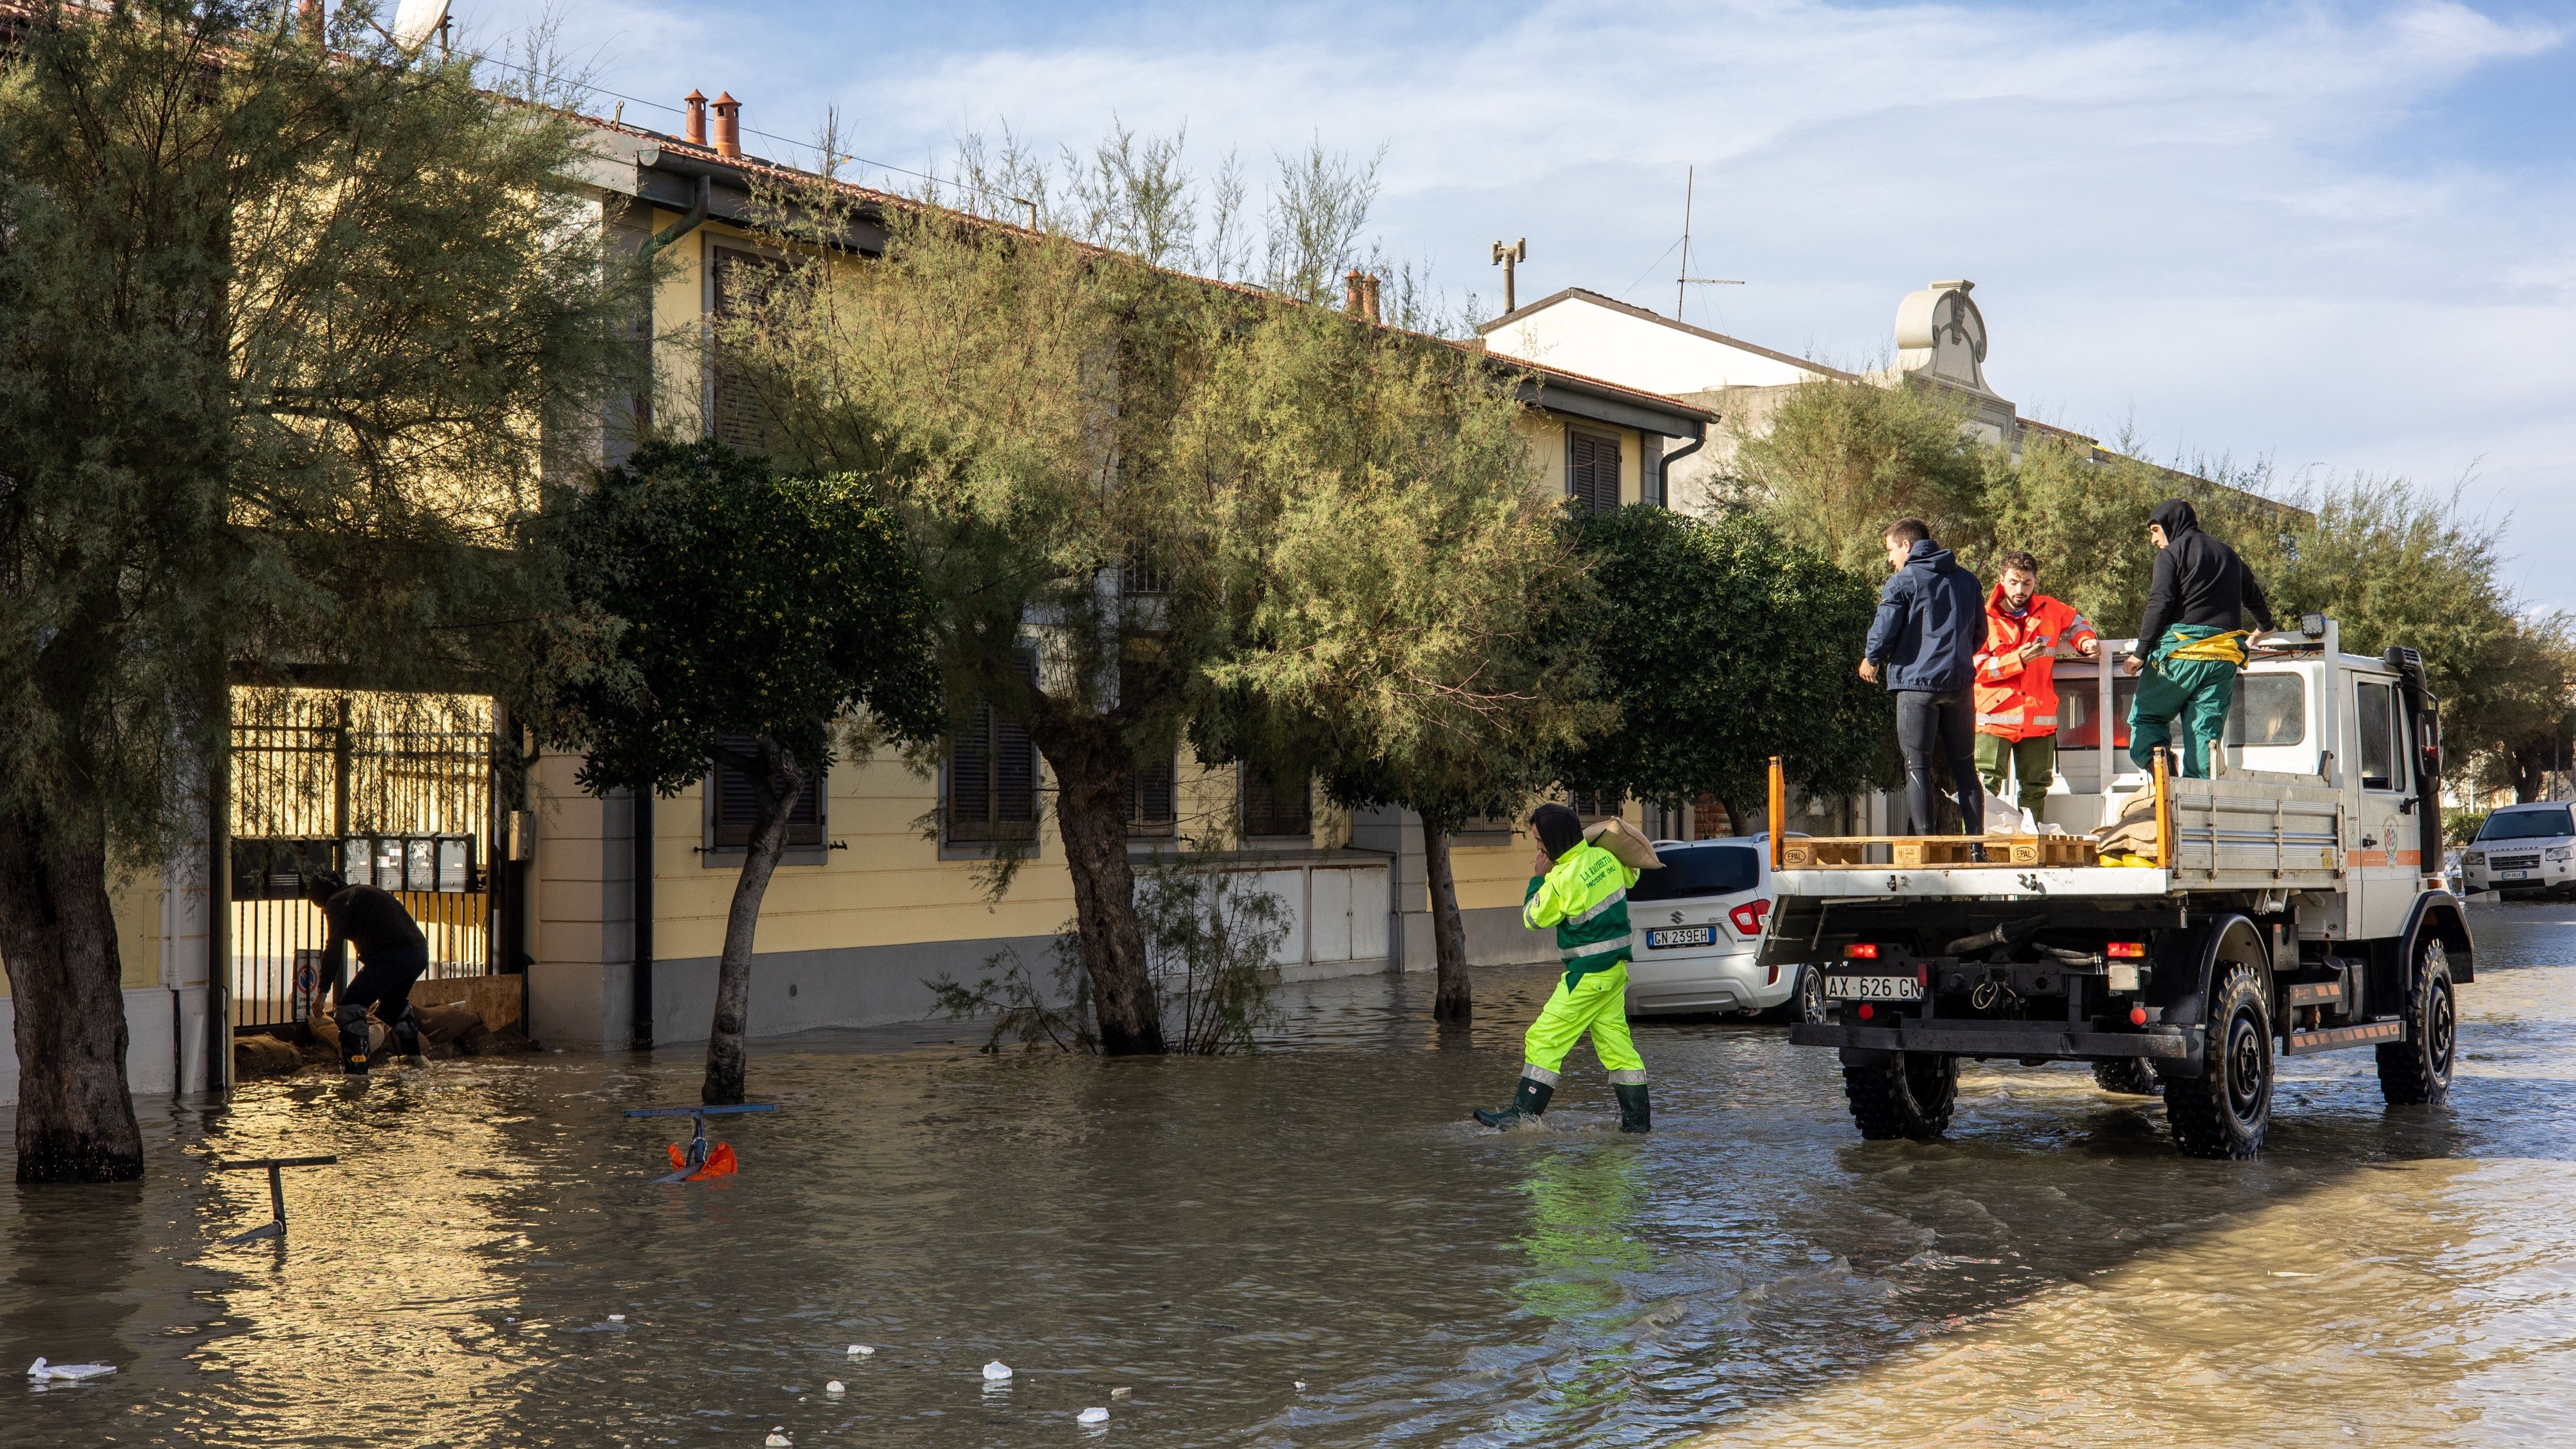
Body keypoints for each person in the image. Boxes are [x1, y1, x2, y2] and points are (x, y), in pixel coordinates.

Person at [1476, 804, 1650, 1134]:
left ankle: (1520, 1118)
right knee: (1619, 1050)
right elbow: (1634, 873)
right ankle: (1638, 1127)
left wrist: (1537, 878)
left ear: (1555, 840)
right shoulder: (1606, 858)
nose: (1539, 847)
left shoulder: (1560, 880)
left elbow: (1532, 918)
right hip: (1614, 973)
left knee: (1543, 1039)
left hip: (1587, 976)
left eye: (1541, 840)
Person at [2123, 499, 2276, 778]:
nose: (2154, 540)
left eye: (2156, 530)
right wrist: (2265, 625)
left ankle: (2162, 772)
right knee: (2205, 734)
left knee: (2148, 717)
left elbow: (2160, 603)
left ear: (2172, 525)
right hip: (2223, 660)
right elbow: (2253, 595)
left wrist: (2140, 653)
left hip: (2181, 654)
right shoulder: (2229, 555)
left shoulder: (2171, 555)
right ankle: (2198, 806)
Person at [1860, 517, 1986, 839]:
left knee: (1918, 769)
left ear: (1907, 546)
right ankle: (1976, 848)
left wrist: (1872, 659)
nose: (1890, 559)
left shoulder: (1903, 581)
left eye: (1891, 550)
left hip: (1916, 686)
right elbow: (1980, 635)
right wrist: (1955, 659)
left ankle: (1927, 848)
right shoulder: (1968, 581)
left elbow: (1885, 629)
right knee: (1966, 770)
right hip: (1960, 687)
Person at [1973, 550, 2099, 823]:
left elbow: (2078, 623)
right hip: (1994, 720)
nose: (2020, 590)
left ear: (2036, 581)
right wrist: (2017, 659)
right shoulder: (1982, 617)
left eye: (2027, 583)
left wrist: (2086, 640)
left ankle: (2029, 850)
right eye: (2014, 582)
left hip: (2038, 720)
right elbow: (1976, 668)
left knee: (2035, 790)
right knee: (1984, 791)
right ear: (2001, 580)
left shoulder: (2050, 609)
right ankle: (1978, 849)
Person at [303, 869, 431, 1073]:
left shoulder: (337, 901)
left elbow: (334, 947)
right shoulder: (362, 891)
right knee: (393, 1006)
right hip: (419, 953)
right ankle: (416, 1060)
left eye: (317, 903)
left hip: (392, 955)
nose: (321, 909)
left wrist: (323, 990)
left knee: (348, 1010)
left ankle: (357, 1072)